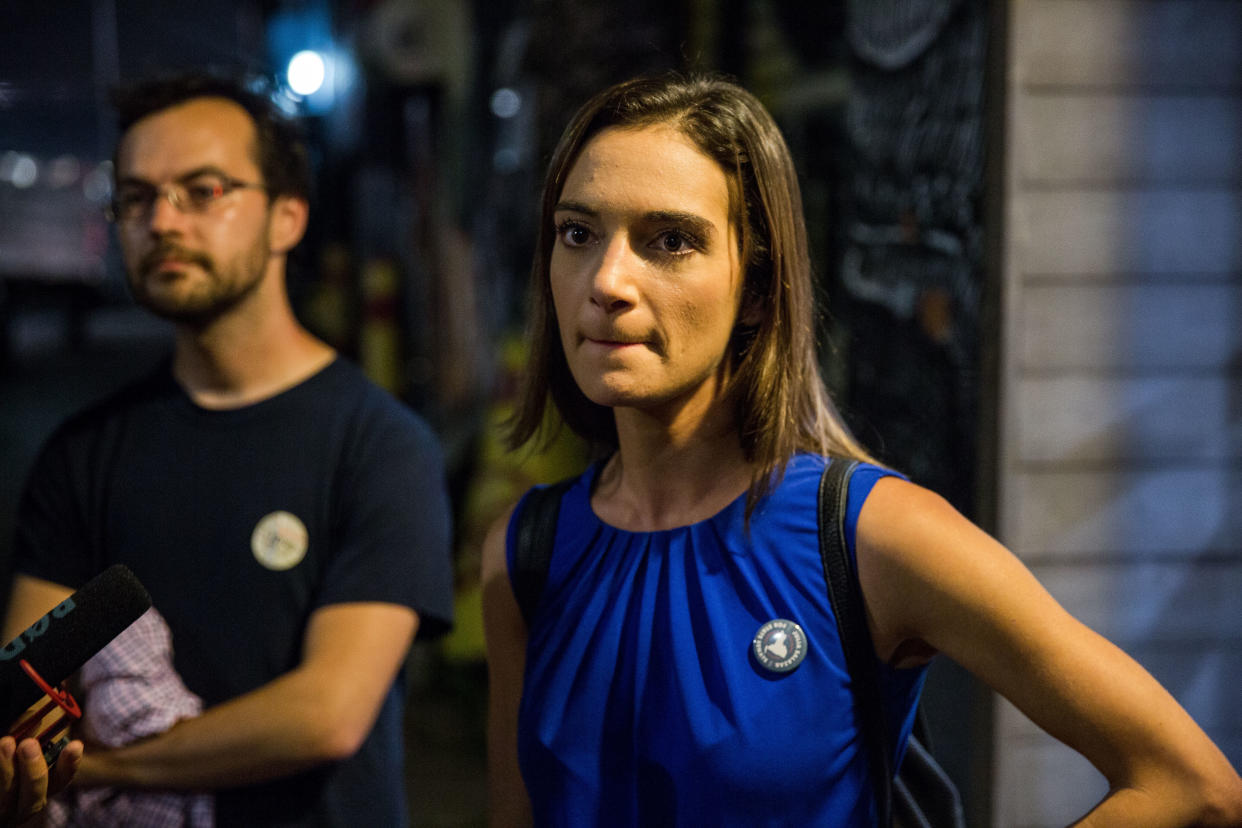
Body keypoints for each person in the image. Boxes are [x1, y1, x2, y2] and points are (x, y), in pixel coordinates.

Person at [480, 73, 1242, 827]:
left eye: (671, 241)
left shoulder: (872, 536)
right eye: (578, 233)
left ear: (755, 286)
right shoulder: (527, 553)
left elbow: (1189, 783)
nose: (607, 280)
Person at [4, 71, 454, 826]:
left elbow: (327, 713)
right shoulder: (85, 451)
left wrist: (101, 770)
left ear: (288, 217)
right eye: (139, 197)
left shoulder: (379, 445)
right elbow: (25, 685)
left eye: (203, 190)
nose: (164, 221)